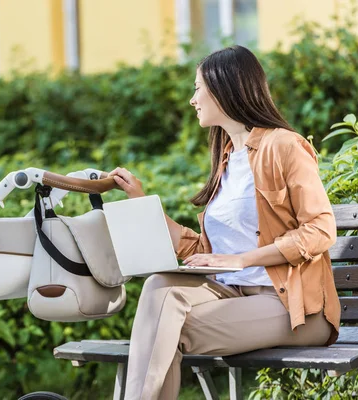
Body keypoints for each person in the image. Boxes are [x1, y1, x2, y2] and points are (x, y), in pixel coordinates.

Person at [108, 45, 340, 400]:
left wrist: (243, 259)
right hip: (233, 295)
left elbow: (321, 228)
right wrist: (140, 202)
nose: (192, 99)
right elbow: (203, 252)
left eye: (198, 88)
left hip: (292, 308)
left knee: (163, 333)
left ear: (223, 88)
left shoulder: (284, 147)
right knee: (159, 287)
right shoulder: (227, 161)